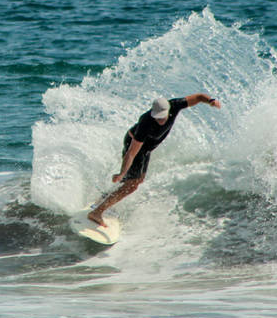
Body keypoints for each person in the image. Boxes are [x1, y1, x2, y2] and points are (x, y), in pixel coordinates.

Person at [88, 93, 222, 226]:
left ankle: (106, 198)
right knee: (132, 185)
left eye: (162, 117)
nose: (160, 120)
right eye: (157, 118)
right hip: (136, 147)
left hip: (146, 149)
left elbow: (198, 97)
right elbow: (131, 154)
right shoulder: (146, 123)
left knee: (138, 180)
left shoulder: (175, 105)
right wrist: (122, 172)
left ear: (168, 110)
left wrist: (211, 100)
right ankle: (97, 213)